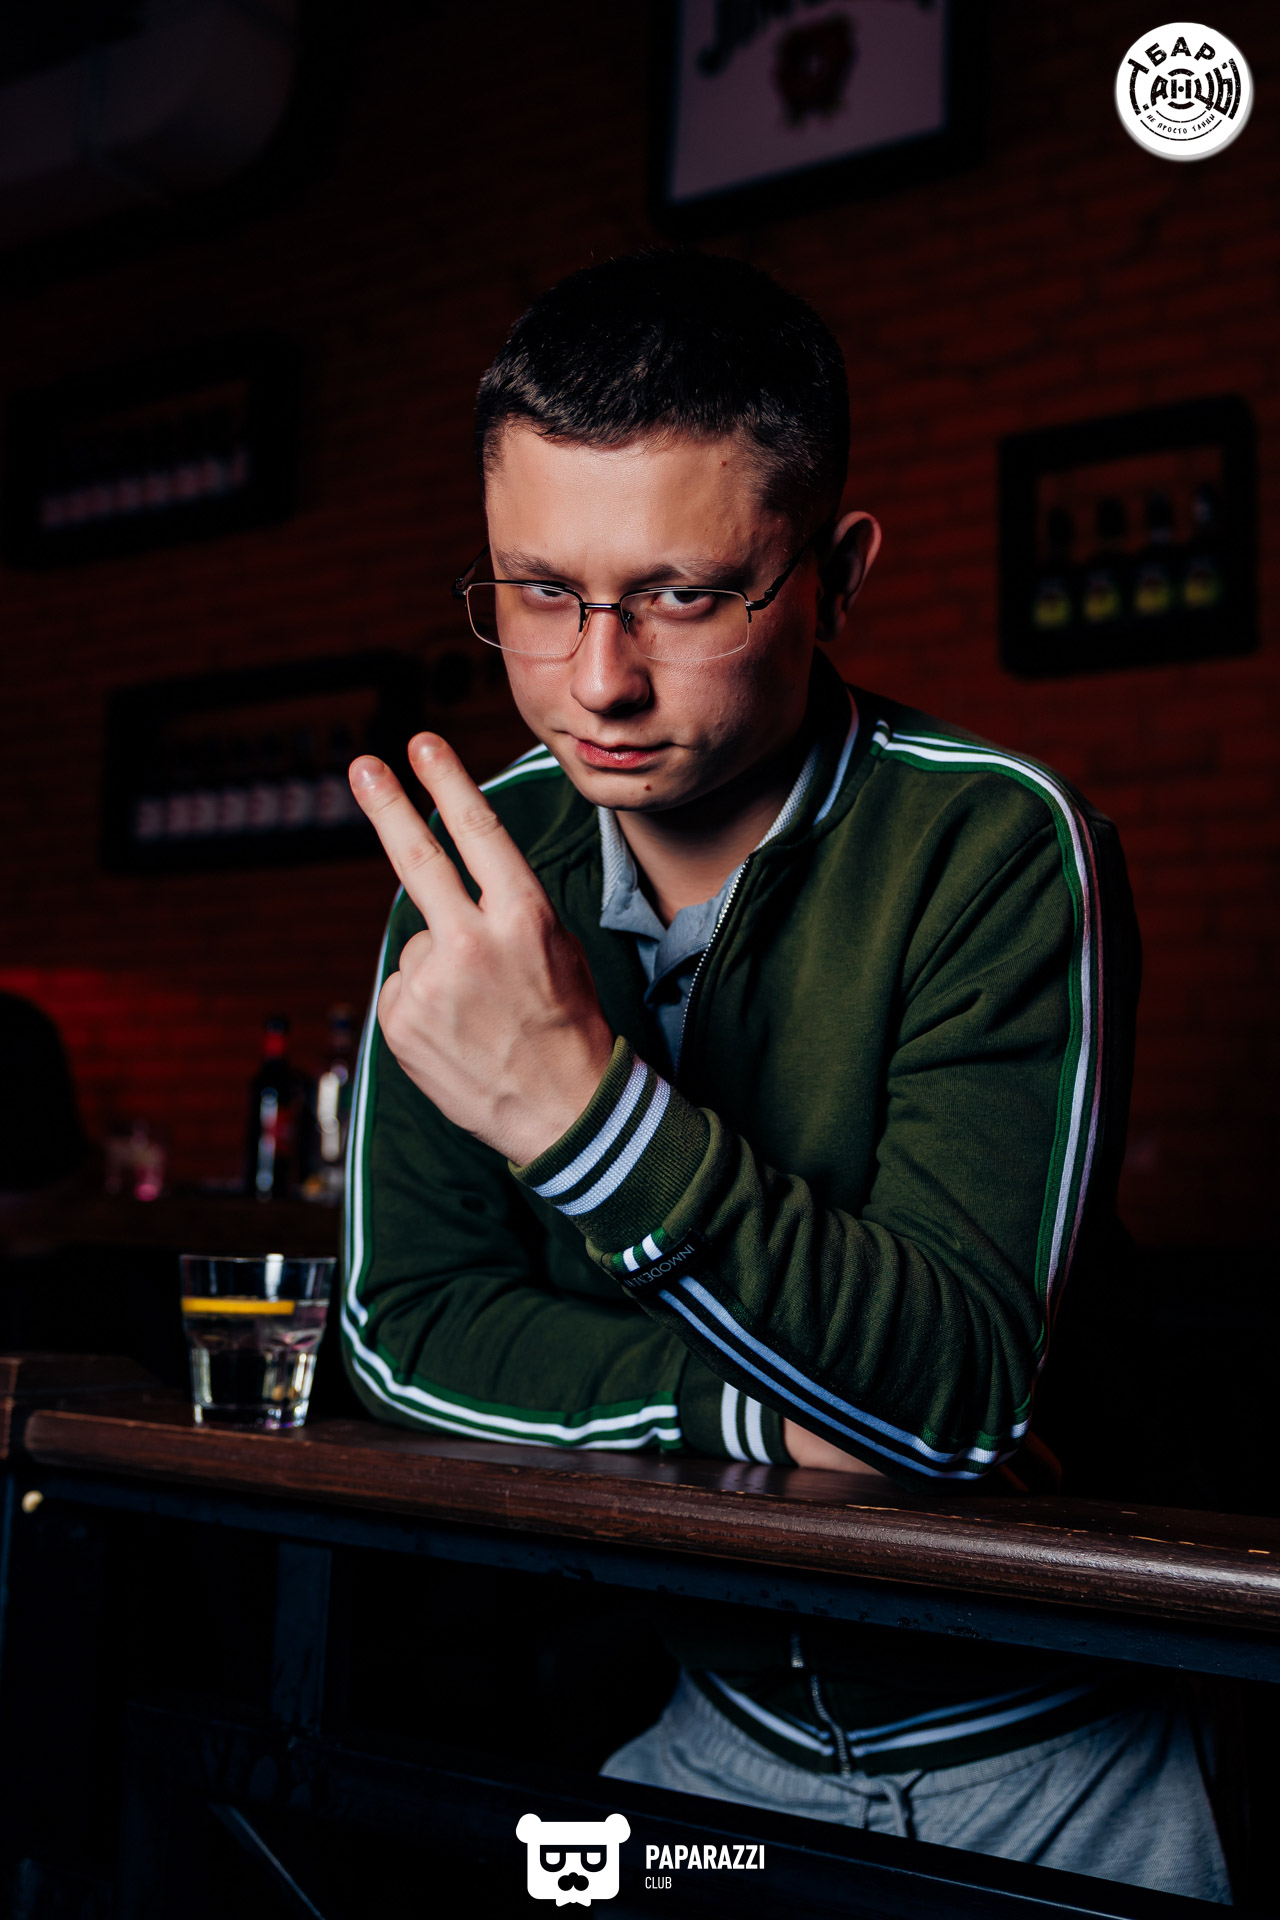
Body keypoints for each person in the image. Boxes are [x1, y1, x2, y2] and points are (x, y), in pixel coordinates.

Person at [340, 252, 1228, 1902]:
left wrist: (581, 1117)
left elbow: (949, 1402)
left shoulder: (994, 841)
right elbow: (405, 1334)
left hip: (1059, 1763)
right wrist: (752, 1414)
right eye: (539, 590)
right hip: (703, 1745)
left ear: (839, 574)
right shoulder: (474, 866)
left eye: (683, 595)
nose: (597, 679)